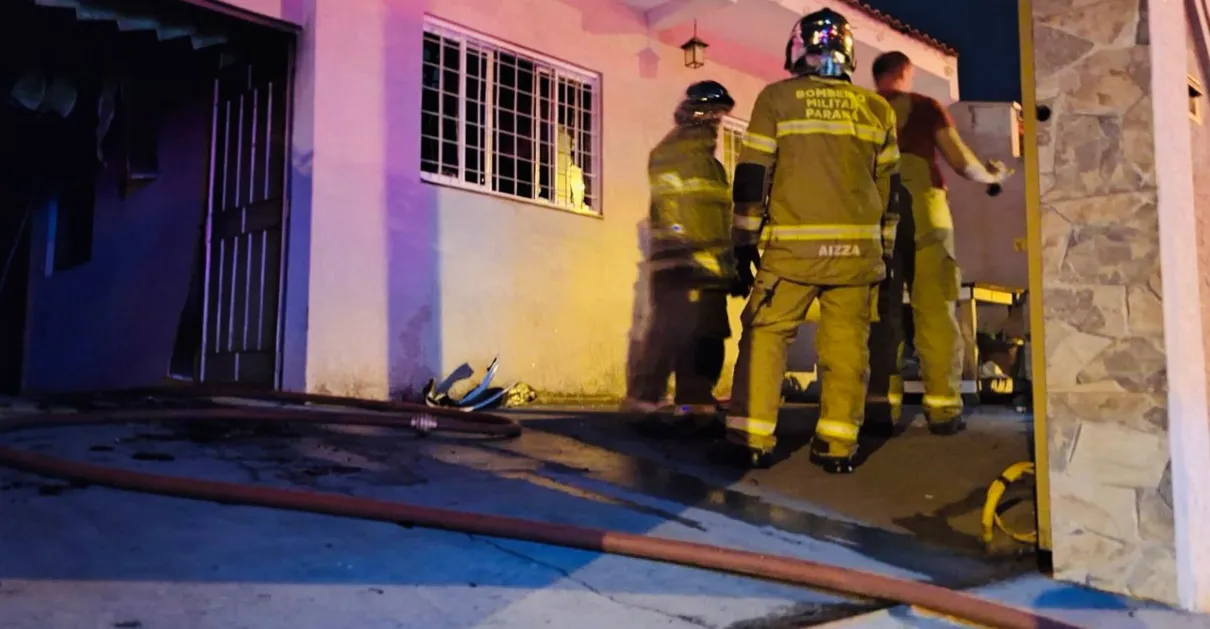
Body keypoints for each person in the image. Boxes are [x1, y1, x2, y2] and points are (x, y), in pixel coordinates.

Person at [723, 8, 901, 473]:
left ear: (799, 48)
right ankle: (838, 446)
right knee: (846, 348)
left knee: (767, 334)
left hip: (792, 254)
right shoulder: (877, 109)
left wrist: (743, 243)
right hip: (857, 258)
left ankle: (751, 438)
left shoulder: (777, 99)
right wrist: (883, 252)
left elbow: (752, 175)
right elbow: (889, 192)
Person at [870, 51, 1014, 435]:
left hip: (874, 217)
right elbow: (960, 160)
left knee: (880, 312)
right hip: (925, 214)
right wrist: (990, 174)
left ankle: (879, 407)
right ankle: (944, 409)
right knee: (934, 309)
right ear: (904, 73)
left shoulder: (860, 110)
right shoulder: (925, 107)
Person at [622, 80, 738, 438]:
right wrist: (715, 264)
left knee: (686, 337)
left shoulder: (697, 159)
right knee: (686, 337)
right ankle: (661, 407)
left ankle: (686, 407)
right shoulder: (685, 156)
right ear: (703, 114)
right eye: (716, 115)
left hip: (691, 265)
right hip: (691, 265)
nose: (719, 123)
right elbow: (694, 218)